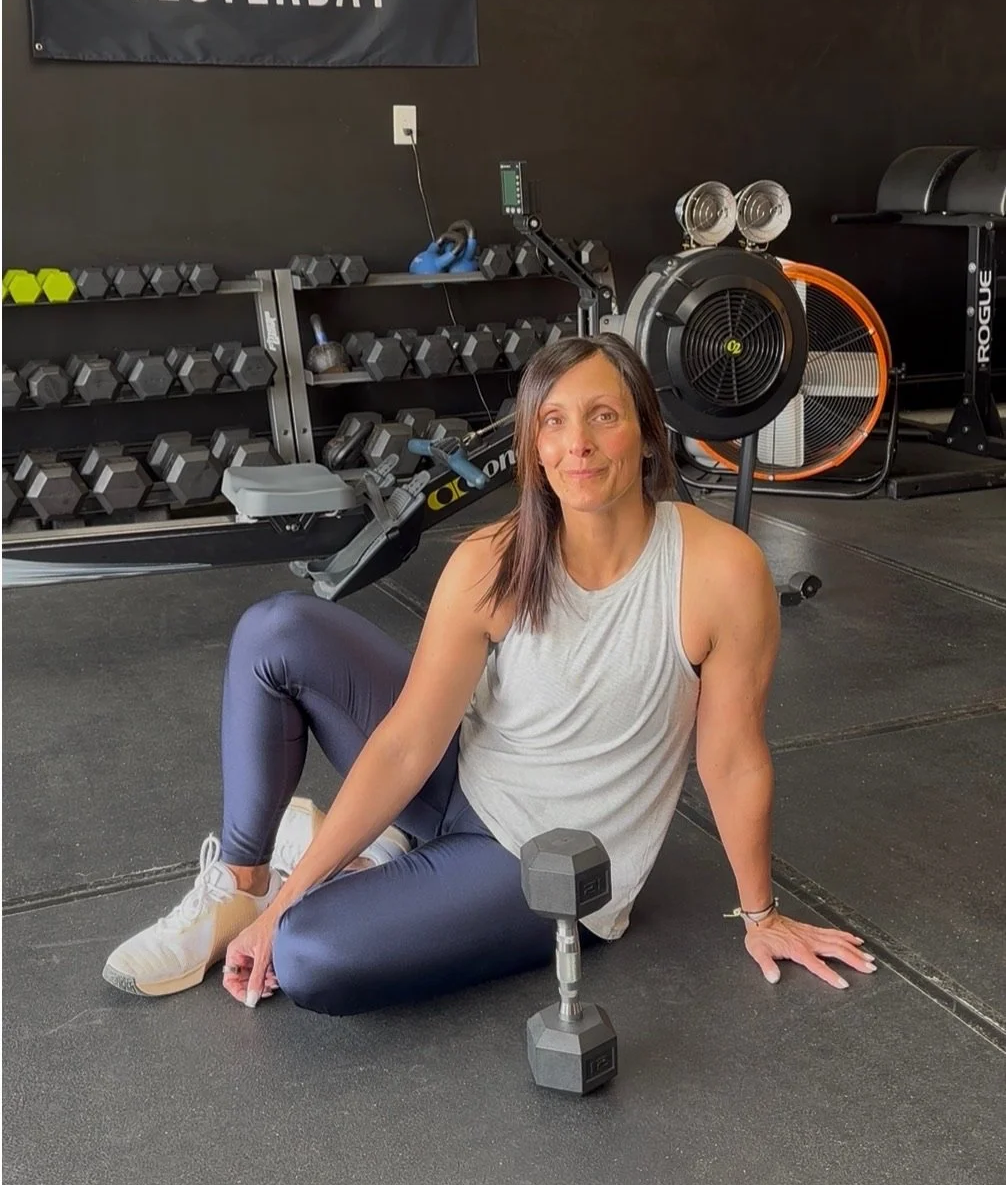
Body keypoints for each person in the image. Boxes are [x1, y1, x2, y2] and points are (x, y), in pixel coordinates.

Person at [103, 333, 875, 1014]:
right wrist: (285, 895)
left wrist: (761, 913)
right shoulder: (493, 559)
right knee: (278, 629)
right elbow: (410, 741)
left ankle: (367, 856)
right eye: (555, 422)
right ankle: (243, 890)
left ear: (645, 433)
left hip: (540, 860)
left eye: (604, 416)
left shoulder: (718, 570)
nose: (580, 444)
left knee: (308, 957)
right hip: (459, 780)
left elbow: (733, 756)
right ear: (534, 447)